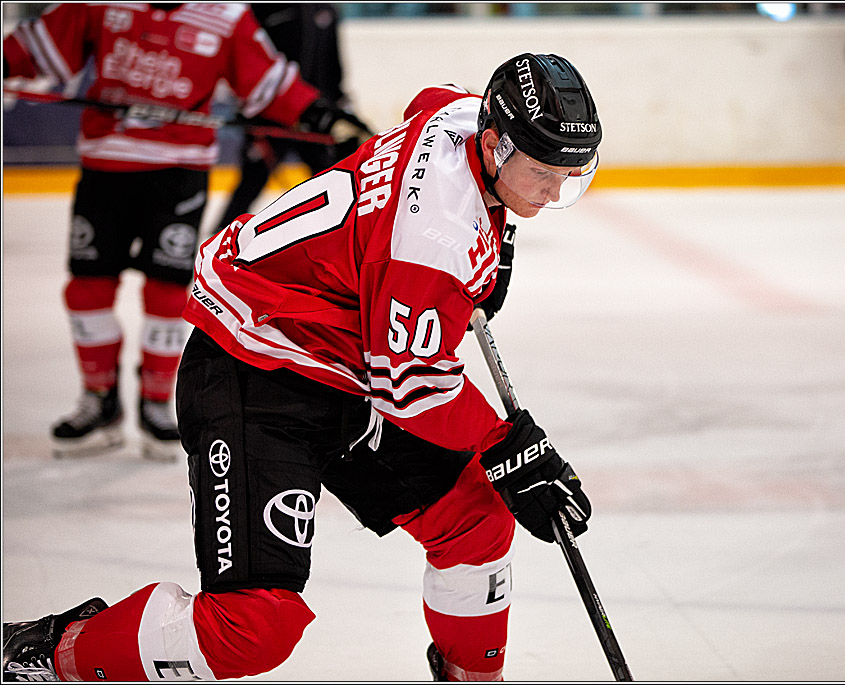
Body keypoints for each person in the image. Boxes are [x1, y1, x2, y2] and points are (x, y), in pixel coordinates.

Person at [2, 52, 601, 681]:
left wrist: (497, 235)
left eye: (568, 175)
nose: (553, 192)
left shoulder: (458, 113)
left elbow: (430, 97)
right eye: (540, 173)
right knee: (253, 630)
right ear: (493, 144)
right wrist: (510, 448)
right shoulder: (434, 238)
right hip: (255, 363)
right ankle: (57, 652)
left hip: (342, 357)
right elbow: (410, 388)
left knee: (475, 521)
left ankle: (471, 673)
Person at [1, 2, 360, 461]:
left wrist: (323, 116)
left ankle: (155, 401)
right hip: (105, 168)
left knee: (169, 291)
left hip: (179, 173)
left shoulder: (226, 15)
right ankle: (100, 399)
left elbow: (270, 84)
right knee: (87, 290)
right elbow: (38, 46)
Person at [215, 3, 371, 230]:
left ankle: (339, 235)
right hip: (271, 115)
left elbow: (333, 65)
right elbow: (250, 61)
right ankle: (220, 237)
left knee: (332, 178)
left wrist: (337, 104)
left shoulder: (325, 9)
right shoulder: (264, 8)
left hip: (315, 116)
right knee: (252, 180)